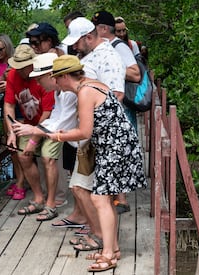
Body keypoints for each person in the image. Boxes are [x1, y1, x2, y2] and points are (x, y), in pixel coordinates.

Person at [48, 55, 147, 272]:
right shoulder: (94, 83)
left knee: (99, 198)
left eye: (56, 78)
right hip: (115, 144)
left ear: (65, 76)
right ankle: (113, 249)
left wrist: (58, 136)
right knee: (102, 198)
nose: (55, 83)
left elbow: (85, 132)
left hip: (116, 147)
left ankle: (109, 255)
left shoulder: (85, 92)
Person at [58, 17, 127, 248]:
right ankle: (102, 239)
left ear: (89, 36)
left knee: (96, 194)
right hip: (91, 138)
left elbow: (116, 96)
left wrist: (90, 135)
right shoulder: (90, 56)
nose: (74, 47)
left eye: (77, 42)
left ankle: (105, 243)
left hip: (100, 139)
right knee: (83, 189)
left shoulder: (109, 57)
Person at [4, 44, 60, 222]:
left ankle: (51, 204)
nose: (19, 70)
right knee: (23, 156)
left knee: (47, 158)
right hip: (28, 123)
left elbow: (48, 113)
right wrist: (11, 131)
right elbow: (9, 105)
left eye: (23, 66)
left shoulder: (43, 77)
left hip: (52, 122)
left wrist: (34, 140)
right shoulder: (13, 75)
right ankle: (38, 197)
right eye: (17, 66)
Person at [92, 11, 141, 213]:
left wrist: (114, 66)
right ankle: (114, 197)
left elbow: (136, 74)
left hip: (122, 106)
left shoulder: (119, 47)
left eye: (95, 28)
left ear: (103, 28)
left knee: (120, 152)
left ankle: (122, 199)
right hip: (110, 104)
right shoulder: (103, 48)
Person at [26, 22, 69, 208]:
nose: (34, 47)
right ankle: (51, 198)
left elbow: (61, 120)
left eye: (36, 43)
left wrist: (34, 134)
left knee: (52, 158)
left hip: (60, 119)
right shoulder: (60, 89)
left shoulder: (55, 59)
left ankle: (56, 199)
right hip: (56, 119)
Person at [0, 34, 26, 200]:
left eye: (0, 49)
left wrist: (6, 82)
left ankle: (22, 183)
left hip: (19, 104)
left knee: (21, 145)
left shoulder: (15, 64)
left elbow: (20, 83)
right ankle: (19, 180)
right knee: (10, 146)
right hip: (6, 104)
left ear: (7, 48)